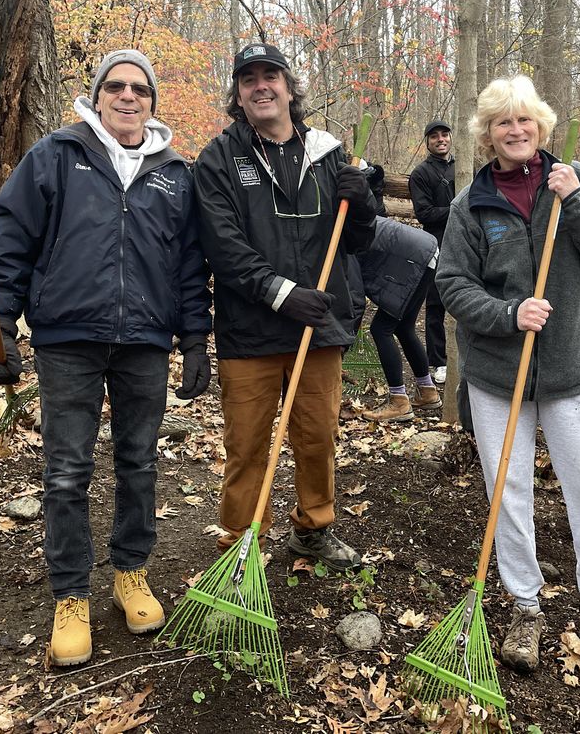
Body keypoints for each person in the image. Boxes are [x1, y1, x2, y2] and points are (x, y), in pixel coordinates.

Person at [0, 49, 213, 667]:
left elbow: (189, 264)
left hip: (143, 339)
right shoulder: (57, 156)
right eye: (116, 86)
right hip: (68, 338)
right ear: (98, 94)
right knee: (66, 470)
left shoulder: (174, 174)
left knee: (138, 462)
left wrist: (195, 338)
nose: (128, 96)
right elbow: (10, 242)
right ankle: (70, 594)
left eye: (140, 88)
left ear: (153, 101)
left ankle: (131, 571)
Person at [436, 75, 580, 691]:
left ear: (541, 127)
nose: (515, 131)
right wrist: (507, 314)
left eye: (525, 120)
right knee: (508, 492)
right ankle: (525, 605)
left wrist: (576, 201)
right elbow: (451, 283)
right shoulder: (470, 204)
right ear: (487, 133)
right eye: (503, 122)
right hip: (498, 376)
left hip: (571, 372)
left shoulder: (577, 182)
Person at [194, 42, 376, 573]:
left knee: (318, 437)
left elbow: (357, 241)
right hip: (251, 330)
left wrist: (363, 202)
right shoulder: (219, 158)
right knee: (248, 446)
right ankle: (240, 542)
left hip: (319, 327)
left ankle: (313, 530)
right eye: (248, 79)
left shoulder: (329, 153)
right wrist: (280, 293)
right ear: (238, 94)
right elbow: (223, 248)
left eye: (270, 75)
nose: (260, 86)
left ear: (290, 87)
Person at [358, 216, 442, 422]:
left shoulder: (338, 226)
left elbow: (352, 288)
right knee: (403, 327)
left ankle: (398, 401)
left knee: (381, 329)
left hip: (410, 257)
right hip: (424, 249)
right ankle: (427, 391)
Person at [409, 120, 455, 384]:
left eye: (445, 134)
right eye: (435, 136)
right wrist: (457, 210)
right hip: (435, 243)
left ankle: (464, 357)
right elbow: (424, 213)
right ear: (427, 142)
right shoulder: (421, 173)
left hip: (467, 242)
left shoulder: (464, 167)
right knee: (436, 303)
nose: (441, 139)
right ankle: (438, 361)